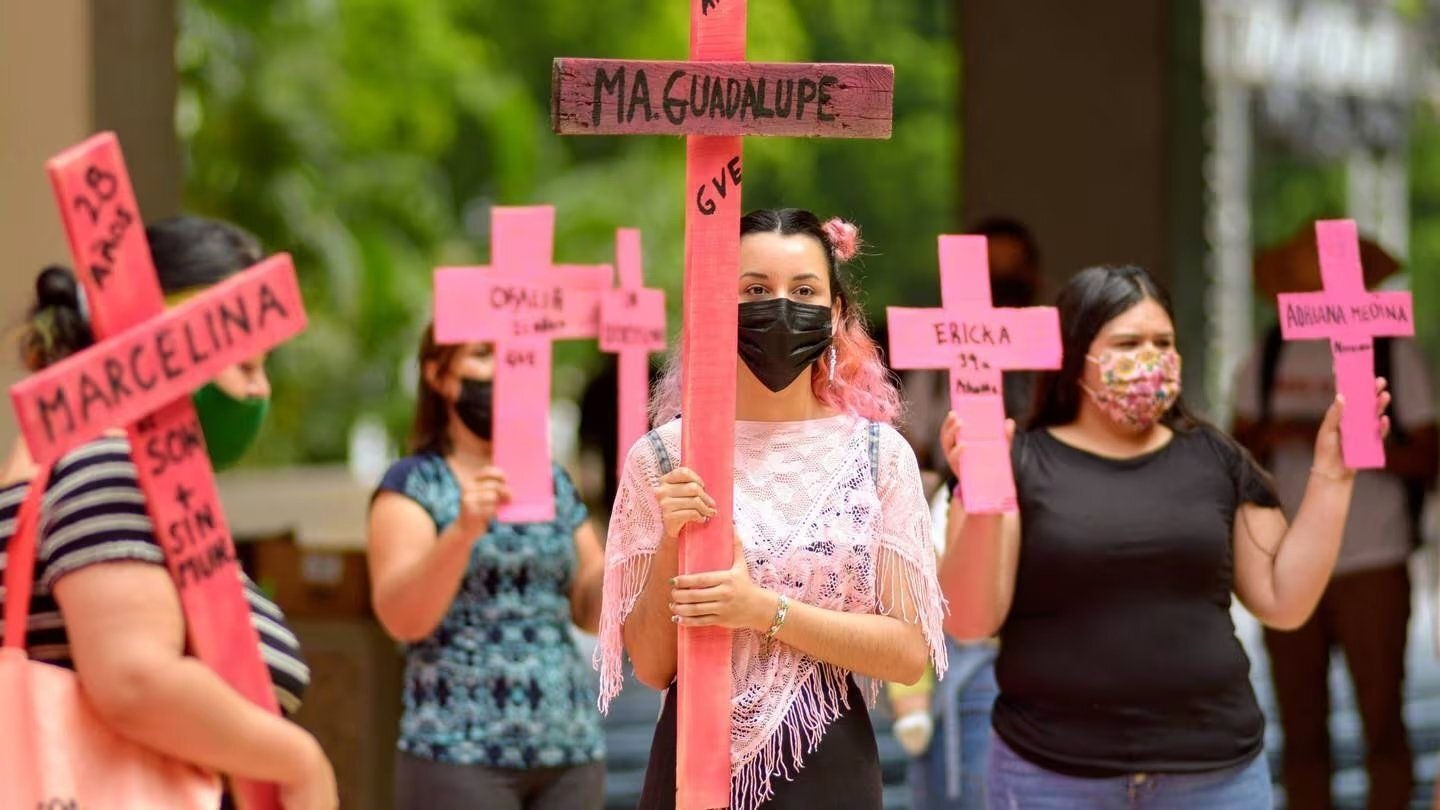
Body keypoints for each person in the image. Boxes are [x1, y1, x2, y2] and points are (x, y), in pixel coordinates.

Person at [941, 264, 1390, 808]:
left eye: (1163, 342)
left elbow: (1283, 600)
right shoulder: (1016, 461)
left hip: (1215, 777)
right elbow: (969, 620)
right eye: (1128, 343)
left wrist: (1333, 477)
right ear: (1075, 355)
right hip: (1050, 777)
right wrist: (982, 484)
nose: (1149, 358)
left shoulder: (1215, 458)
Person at [597, 208, 948, 810]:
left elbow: (908, 653)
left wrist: (764, 611)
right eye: (755, 290)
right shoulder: (659, 459)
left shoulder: (878, 456)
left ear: (836, 313)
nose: (780, 307)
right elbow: (654, 666)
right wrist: (668, 544)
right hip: (690, 768)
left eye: (804, 291)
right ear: (714, 305)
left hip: (830, 765)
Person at [0, 216, 336, 810]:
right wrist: (299, 763)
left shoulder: (52, 466)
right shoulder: (106, 462)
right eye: (247, 366)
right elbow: (133, 680)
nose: (261, 393)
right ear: (173, 348)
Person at [367, 326, 607, 810]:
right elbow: (402, 619)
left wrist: (633, 541)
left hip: (571, 748)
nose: (502, 369)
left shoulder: (552, 482)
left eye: (511, 355)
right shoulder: (412, 485)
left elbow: (591, 610)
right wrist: (462, 532)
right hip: (457, 753)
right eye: (482, 355)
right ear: (438, 375)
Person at [1233, 320, 1437, 809]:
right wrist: (1282, 434)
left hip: (1373, 557)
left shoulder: (1390, 349)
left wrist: (1361, 444)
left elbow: (1429, 451)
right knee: (1298, 724)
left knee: (1383, 717)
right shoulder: (1270, 350)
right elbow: (1235, 448)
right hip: (1288, 560)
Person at [889, 216, 1040, 810]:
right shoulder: (933, 363)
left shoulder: (1049, 360)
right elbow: (915, 446)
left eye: (1011, 273)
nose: (1000, 287)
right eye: (990, 273)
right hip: (954, 539)